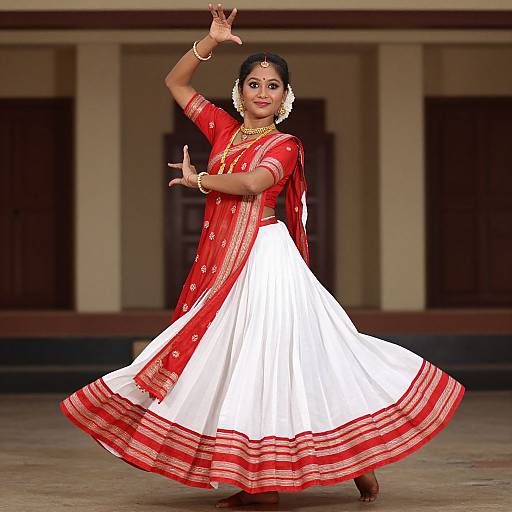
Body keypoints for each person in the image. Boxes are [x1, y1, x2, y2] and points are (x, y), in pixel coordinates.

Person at [59, 3, 465, 509]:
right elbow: (177, 84)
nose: (263, 93)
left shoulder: (285, 144)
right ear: (240, 91)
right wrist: (208, 41)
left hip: (266, 262)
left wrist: (200, 180)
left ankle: (274, 484)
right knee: (250, 361)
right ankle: (345, 466)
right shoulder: (224, 131)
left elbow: (254, 184)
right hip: (228, 262)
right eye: (254, 83)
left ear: (284, 97)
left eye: (273, 85)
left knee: (281, 361)